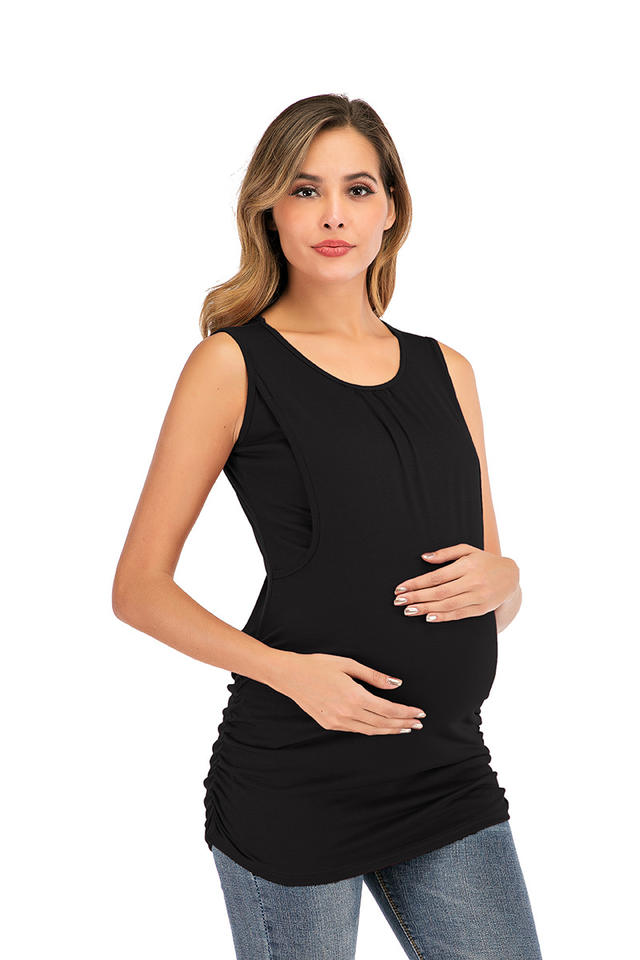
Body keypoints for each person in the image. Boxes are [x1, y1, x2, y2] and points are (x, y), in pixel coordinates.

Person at [112, 94, 543, 960]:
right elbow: (138, 590)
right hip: (297, 778)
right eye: (306, 190)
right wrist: (290, 675)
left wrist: (510, 580)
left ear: (391, 209)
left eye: (358, 188)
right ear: (269, 209)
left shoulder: (448, 369)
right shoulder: (232, 363)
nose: (334, 215)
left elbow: (485, 595)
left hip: (446, 770)